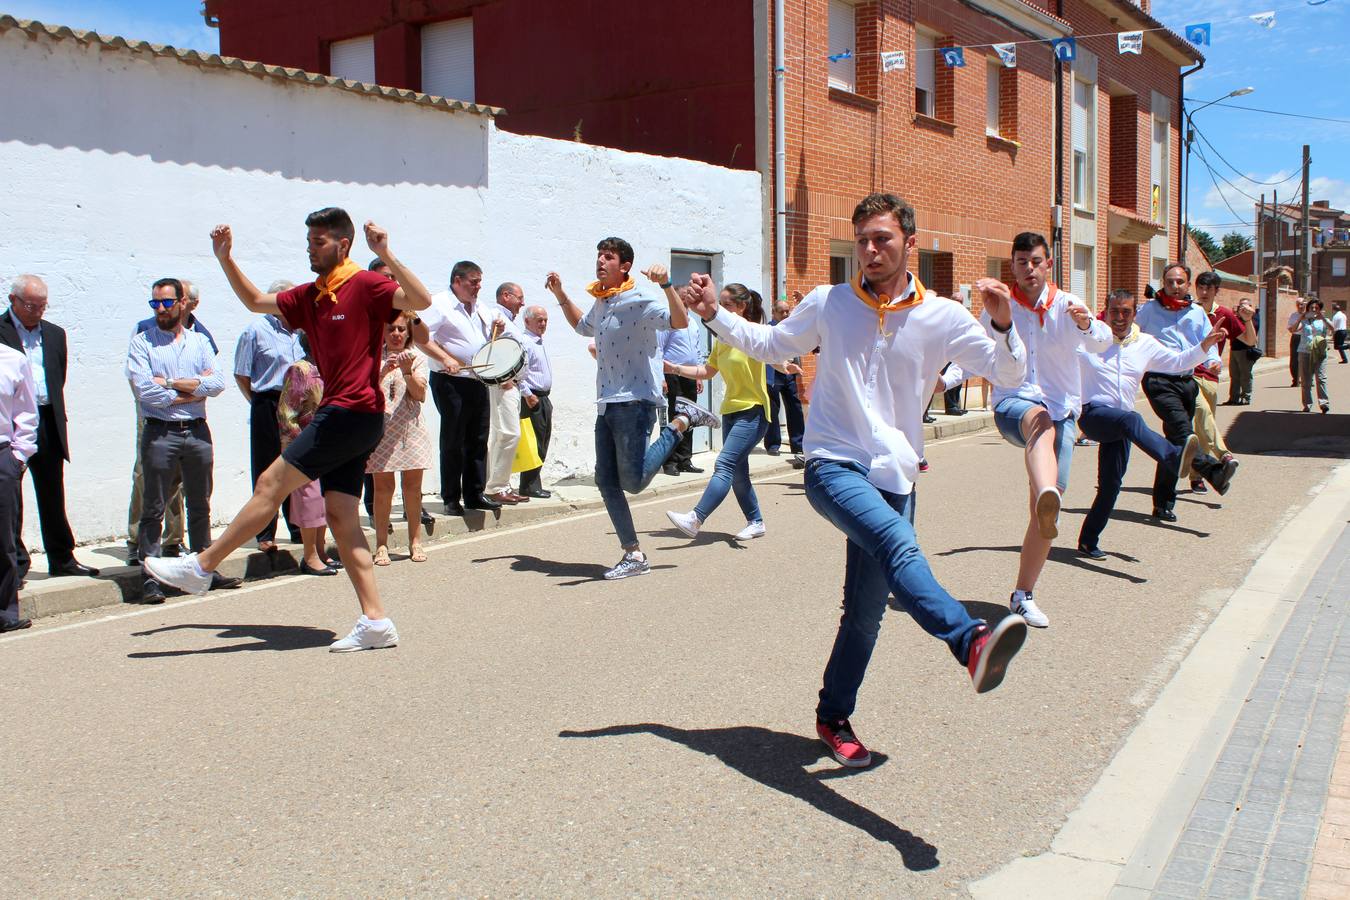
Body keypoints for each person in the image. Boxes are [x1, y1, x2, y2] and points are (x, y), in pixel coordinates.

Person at [682, 192, 1030, 768]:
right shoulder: (829, 302)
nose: (869, 250)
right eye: (862, 239)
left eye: (882, 239)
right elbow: (772, 345)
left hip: (896, 475)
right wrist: (714, 312)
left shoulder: (941, 314)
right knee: (898, 543)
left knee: (865, 615)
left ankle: (832, 715)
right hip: (831, 463)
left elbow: (1007, 372)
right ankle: (970, 642)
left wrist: (1001, 323)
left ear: (908, 244)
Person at [144, 208, 434, 653]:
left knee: (270, 482)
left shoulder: (367, 284)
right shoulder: (312, 296)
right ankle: (375, 621)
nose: (310, 249)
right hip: (352, 416)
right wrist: (225, 259)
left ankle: (202, 566)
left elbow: (421, 300)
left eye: (318, 242)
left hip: (350, 412)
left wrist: (386, 252)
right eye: (309, 242)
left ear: (343, 244)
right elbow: (256, 302)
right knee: (340, 515)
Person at [546, 240, 717, 580]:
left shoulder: (642, 299)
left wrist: (667, 285)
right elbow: (583, 327)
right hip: (607, 401)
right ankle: (633, 554)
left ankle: (683, 420)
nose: (600, 260)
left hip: (635, 400)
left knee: (634, 482)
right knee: (606, 481)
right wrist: (561, 294)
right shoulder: (603, 300)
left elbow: (679, 321)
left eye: (608, 257)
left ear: (624, 265)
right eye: (599, 256)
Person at [975, 232, 1111, 629]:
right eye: (1021, 262)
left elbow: (1103, 342)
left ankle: (1022, 595)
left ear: (1048, 264)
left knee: (1046, 509)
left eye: (1036, 261)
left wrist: (1087, 325)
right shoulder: (1000, 307)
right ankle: (1045, 492)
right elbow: (979, 352)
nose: (1028, 268)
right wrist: (944, 380)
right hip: (1013, 404)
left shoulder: (1069, 305)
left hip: (1062, 411)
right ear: (1013, 266)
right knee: (1039, 419)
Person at [1077, 290, 1229, 557]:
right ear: (1105, 311)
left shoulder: (1144, 343)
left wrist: (1204, 346)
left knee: (1111, 485)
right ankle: (1180, 458)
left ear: (1135, 314)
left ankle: (1088, 540)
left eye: (1126, 312)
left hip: (1122, 423)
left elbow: (1178, 362)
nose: (1120, 317)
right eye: (1114, 311)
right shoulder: (1088, 339)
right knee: (1133, 419)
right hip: (1093, 414)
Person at [665, 285, 799, 541]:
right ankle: (756, 521)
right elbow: (707, 371)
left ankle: (696, 518)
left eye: (726, 305)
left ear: (741, 308)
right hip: (731, 411)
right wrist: (676, 369)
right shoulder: (722, 339)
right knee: (738, 472)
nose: (719, 309)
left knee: (724, 464)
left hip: (753, 411)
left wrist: (784, 365)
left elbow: (770, 354)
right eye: (720, 304)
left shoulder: (749, 334)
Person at [126, 277, 229, 604]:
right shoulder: (143, 342)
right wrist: (189, 391)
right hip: (160, 432)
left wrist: (170, 384)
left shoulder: (199, 342)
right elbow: (145, 391)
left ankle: (204, 567)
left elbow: (217, 383)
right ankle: (150, 576)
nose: (160, 309)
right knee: (154, 506)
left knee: (199, 503)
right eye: (155, 303)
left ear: (182, 303)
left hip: (197, 430)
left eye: (166, 302)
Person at [1, 275, 99, 578]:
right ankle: (15, 564)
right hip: (12, 421)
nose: (37, 311)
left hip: (47, 418)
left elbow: (59, 375)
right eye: (31, 305)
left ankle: (62, 558)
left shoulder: (55, 334)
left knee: (52, 491)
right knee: (10, 496)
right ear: (12, 301)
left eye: (42, 306)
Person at [1135, 263, 1237, 523]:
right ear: (1163, 282)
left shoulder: (1196, 313)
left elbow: (1208, 342)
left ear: (1187, 284)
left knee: (1175, 442)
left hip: (1187, 381)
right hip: (1159, 381)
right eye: (1170, 281)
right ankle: (1212, 470)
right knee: (1184, 432)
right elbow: (1130, 337)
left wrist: (1213, 360)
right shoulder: (1148, 311)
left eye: (1180, 282)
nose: (1175, 286)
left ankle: (1163, 504)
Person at [412, 261, 503, 515]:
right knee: (454, 438)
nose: (478, 286)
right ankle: (451, 498)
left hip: (477, 379)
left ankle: (475, 493)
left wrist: (497, 329)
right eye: (473, 281)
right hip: (450, 379)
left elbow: (482, 339)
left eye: (479, 281)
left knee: (478, 438)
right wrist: (445, 358)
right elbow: (422, 337)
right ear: (457, 281)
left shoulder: (480, 307)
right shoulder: (438, 303)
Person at [233, 281, 305, 550]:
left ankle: (299, 526)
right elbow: (241, 373)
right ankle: (265, 533)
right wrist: (258, 403)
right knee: (266, 467)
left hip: (298, 403)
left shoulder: (301, 331)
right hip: (268, 401)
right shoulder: (256, 331)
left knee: (296, 466)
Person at [365, 259, 433, 534]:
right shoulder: (367, 305)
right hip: (377, 418)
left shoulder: (404, 305)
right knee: (380, 486)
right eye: (385, 276)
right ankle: (379, 527)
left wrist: (410, 313)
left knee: (411, 485)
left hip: (407, 420)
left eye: (394, 276)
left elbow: (424, 338)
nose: (391, 281)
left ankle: (412, 531)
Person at [368, 312, 433, 565]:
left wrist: (407, 372)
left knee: (412, 489)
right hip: (382, 430)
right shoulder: (373, 358)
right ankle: (381, 544)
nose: (396, 334)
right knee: (383, 489)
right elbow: (364, 391)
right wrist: (383, 371)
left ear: (408, 333)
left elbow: (419, 395)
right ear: (383, 332)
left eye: (401, 330)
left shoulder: (417, 358)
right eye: (391, 329)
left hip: (410, 429)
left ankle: (415, 541)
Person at [277, 332, 339, 575]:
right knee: (309, 500)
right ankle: (309, 555)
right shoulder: (299, 370)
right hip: (305, 444)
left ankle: (321, 551)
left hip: (329, 445)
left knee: (323, 500)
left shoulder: (330, 367)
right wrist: (300, 444)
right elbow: (286, 412)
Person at [1188, 272, 1251, 494]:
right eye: (1200, 288)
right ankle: (1224, 455)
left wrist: (1248, 319)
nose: (1203, 293)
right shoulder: (1188, 311)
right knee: (1201, 417)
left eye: (1208, 289)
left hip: (1211, 378)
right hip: (1189, 376)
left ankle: (1200, 475)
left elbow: (1250, 340)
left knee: (1205, 427)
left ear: (1216, 291)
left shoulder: (1223, 313)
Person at [0, 341, 36, 632]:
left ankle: (5, 611)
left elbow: (26, 411)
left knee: (3, 538)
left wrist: (19, 456)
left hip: (2, 455)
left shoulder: (13, 359)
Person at [483, 282, 528, 506]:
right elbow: (491, 345)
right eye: (519, 297)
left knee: (504, 436)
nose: (523, 302)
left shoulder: (508, 320)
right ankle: (494, 487)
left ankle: (500, 484)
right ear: (506, 295)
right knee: (509, 434)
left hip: (513, 384)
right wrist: (505, 378)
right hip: (504, 384)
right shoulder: (495, 316)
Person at [659, 318, 704, 476]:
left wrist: (698, 375)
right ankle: (669, 461)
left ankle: (685, 459)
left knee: (689, 418)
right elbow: (658, 350)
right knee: (673, 418)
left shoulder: (692, 322)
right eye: (685, 292)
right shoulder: (668, 321)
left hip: (689, 373)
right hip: (671, 374)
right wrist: (661, 377)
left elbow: (697, 350)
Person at [517, 305, 554, 499]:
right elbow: (519, 372)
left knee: (543, 440)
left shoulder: (538, 341)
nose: (543, 324)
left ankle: (533, 483)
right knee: (534, 442)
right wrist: (527, 394)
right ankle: (529, 485)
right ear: (527, 321)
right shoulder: (525, 342)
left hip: (543, 397)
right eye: (539, 320)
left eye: (545, 320)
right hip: (533, 398)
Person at [763, 296, 805, 457]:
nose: (786, 314)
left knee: (795, 408)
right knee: (773, 410)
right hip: (774, 374)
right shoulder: (769, 329)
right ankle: (773, 445)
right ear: (773, 313)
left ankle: (798, 444)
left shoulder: (792, 327)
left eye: (788, 311)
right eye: (782, 311)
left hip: (789, 375)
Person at [1292, 298, 1333, 414]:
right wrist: (1301, 318)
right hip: (1304, 352)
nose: (1314, 310)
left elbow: (1333, 329)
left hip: (1320, 352)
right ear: (1308, 308)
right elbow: (1293, 330)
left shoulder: (1324, 320)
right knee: (1305, 380)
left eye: (1316, 308)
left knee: (1321, 378)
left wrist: (1323, 317)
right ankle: (1307, 405)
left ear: (1320, 309)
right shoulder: (1304, 321)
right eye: (1311, 308)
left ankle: (1324, 404)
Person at [1225, 297, 1260, 405]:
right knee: (1234, 375)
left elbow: (1249, 331)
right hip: (1234, 349)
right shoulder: (1236, 318)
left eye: (1245, 306)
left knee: (1245, 375)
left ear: (1250, 307)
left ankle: (1246, 397)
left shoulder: (1253, 318)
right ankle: (1233, 398)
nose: (1243, 308)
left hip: (1246, 350)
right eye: (1241, 306)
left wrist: (1245, 317)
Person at [1287, 297, 1307, 387]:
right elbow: (1291, 329)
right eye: (1298, 304)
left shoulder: (1309, 315)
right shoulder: (1293, 315)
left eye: (1302, 304)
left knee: (1306, 359)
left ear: (1305, 304)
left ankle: (1307, 378)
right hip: (1296, 337)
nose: (1300, 306)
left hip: (1306, 338)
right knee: (1294, 360)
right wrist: (1300, 322)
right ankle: (1295, 379)